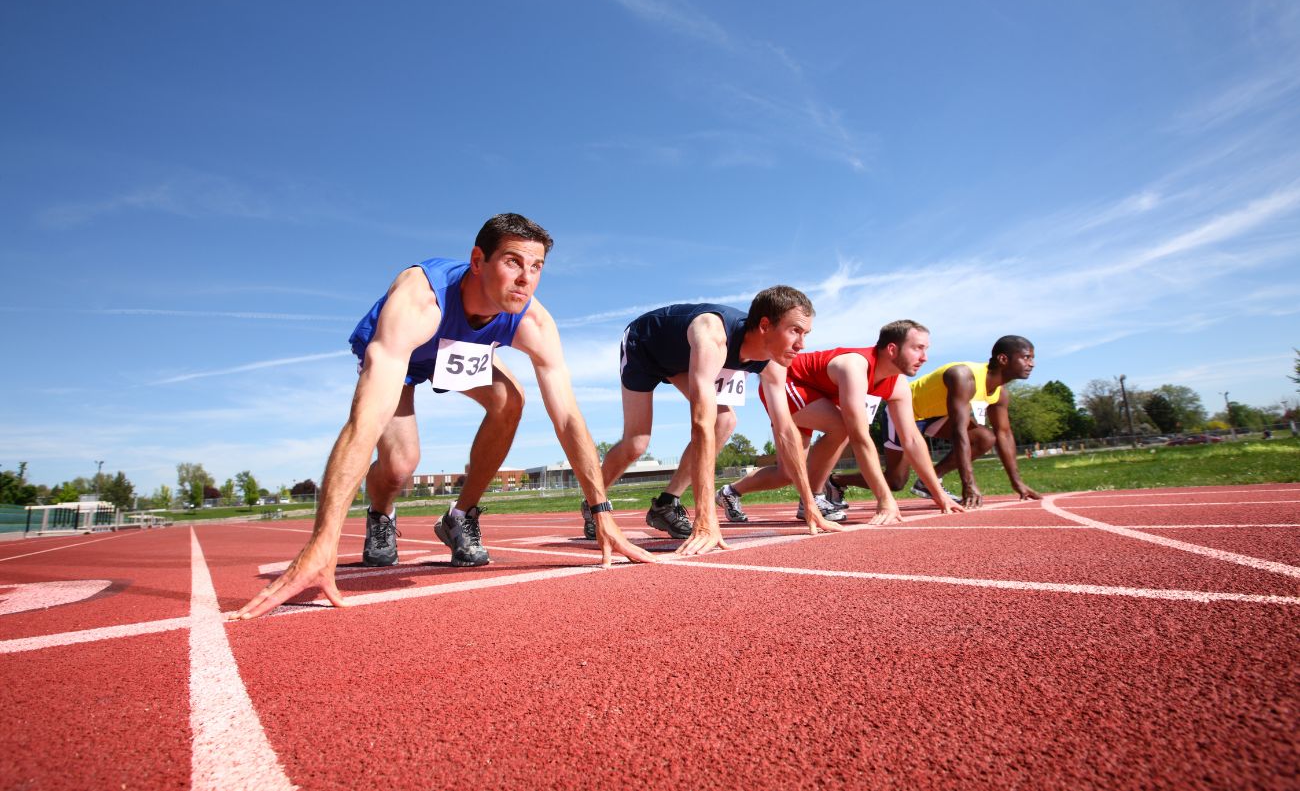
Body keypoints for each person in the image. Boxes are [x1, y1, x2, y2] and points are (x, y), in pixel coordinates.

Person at [231, 213, 655, 621]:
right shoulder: (419, 300)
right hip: (405, 350)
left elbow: (567, 417)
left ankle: (459, 517)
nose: (526, 278)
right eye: (513, 262)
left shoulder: (534, 320)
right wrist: (322, 542)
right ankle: (380, 516)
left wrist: (602, 512)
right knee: (400, 465)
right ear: (477, 261)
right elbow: (365, 422)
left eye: (537, 266)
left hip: (456, 352)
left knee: (511, 400)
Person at [586, 287, 844, 555]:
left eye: (805, 334)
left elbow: (785, 431)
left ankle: (665, 504)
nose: (802, 344)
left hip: (682, 358)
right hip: (645, 345)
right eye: (795, 331)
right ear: (765, 325)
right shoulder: (713, 336)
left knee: (725, 421)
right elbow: (700, 424)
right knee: (637, 442)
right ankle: (593, 498)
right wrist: (706, 518)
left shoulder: (775, 362)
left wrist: (810, 503)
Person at [718, 320, 963, 524]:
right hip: (788, 382)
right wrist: (885, 499)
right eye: (918, 348)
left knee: (788, 473)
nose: (925, 357)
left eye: (926, 349)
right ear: (892, 349)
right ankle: (813, 497)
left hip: (817, 396)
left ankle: (730, 492)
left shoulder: (898, 385)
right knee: (845, 427)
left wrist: (939, 494)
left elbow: (911, 439)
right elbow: (859, 437)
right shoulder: (854, 366)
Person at [865, 335, 1042, 509]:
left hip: (936, 415)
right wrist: (969, 484)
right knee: (895, 481)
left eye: (1032, 358)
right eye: (1026, 358)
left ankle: (928, 482)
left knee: (985, 438)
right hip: (904, 411)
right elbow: (959, 432)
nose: (1032, 364)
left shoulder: (1000, 393)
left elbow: (1004, 434)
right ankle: (837, 480)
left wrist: (1017, 482)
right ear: (1003, 359)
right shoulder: (963, 376)